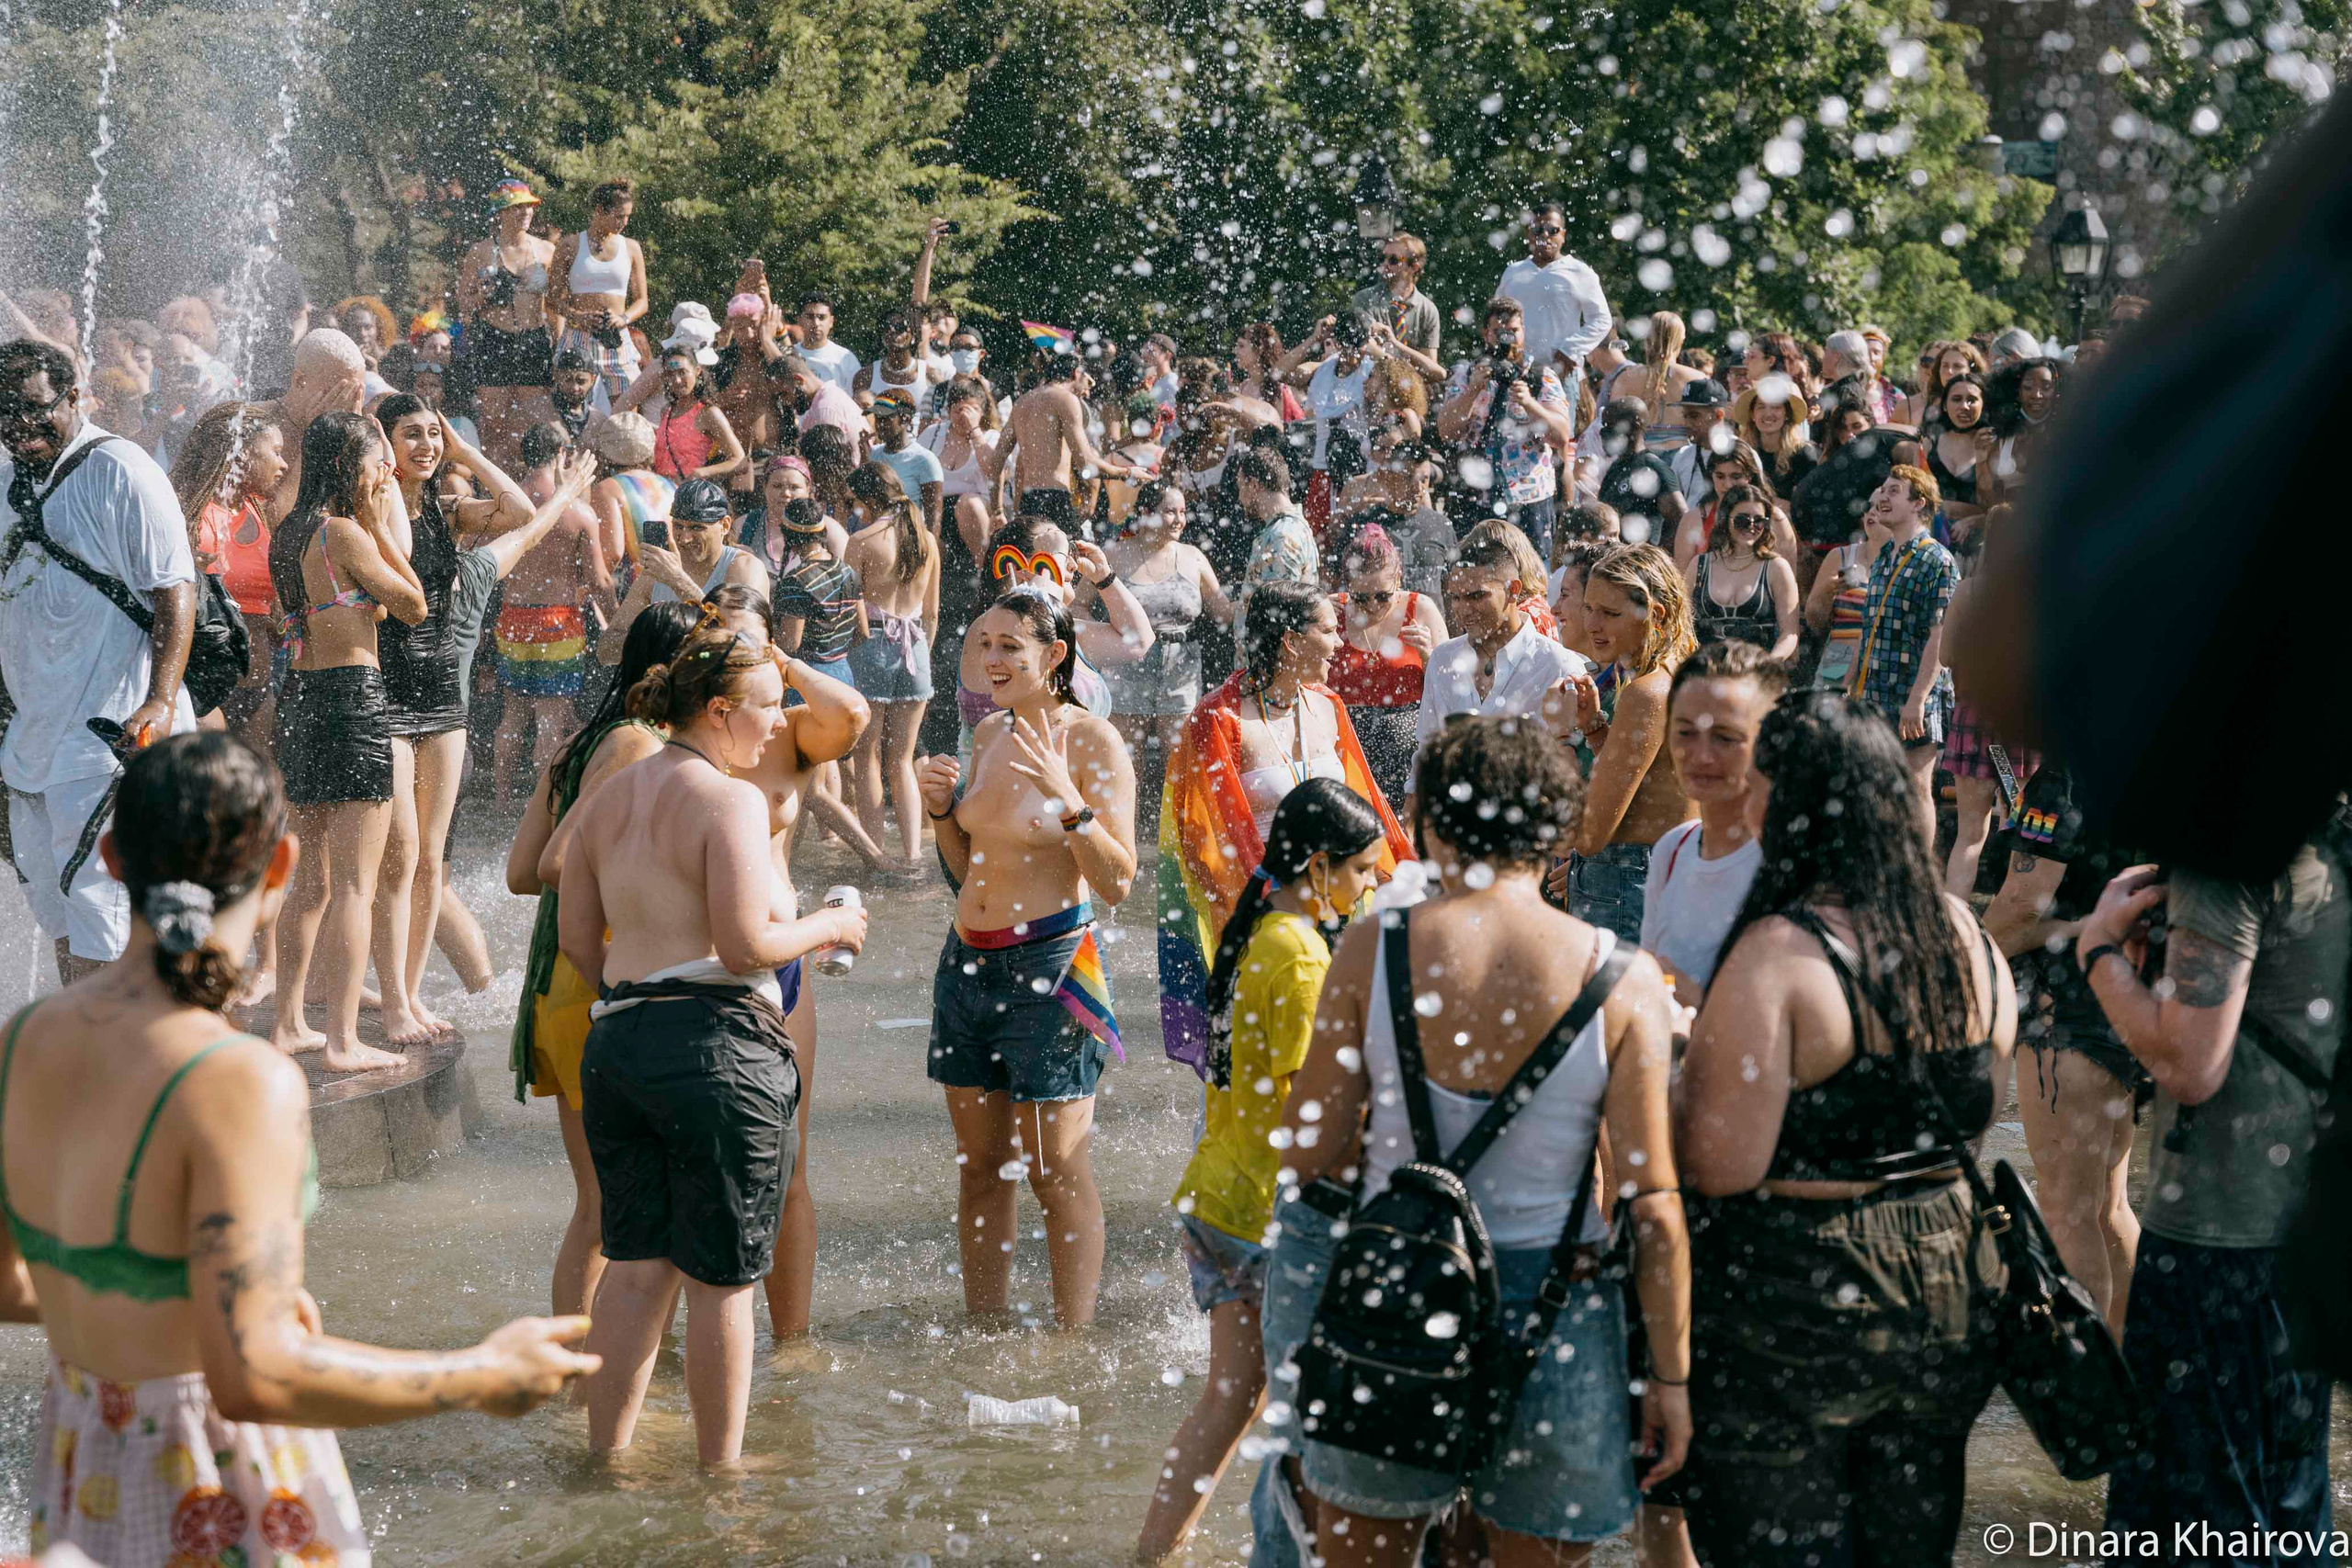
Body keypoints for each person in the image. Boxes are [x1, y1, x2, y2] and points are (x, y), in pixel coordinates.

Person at [5, 732, 598, 1567]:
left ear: (110, 855)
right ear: (280, 865)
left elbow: (10, 1278)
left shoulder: (28, 1038)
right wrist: (479, 1372)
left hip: (83, 1454)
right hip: (210, 1476)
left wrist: (162, 1304)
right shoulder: (242, 1080)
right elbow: (255, 1375)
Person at [1273, 714, 1690, 1568]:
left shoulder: (1374, 946)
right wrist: (1673, 1379)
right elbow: (1651, 1202)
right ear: (1563, 826)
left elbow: (1306, 1151)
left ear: (1428, 821)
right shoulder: (1622, 976)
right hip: (1559, 1305)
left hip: (1398, 1288)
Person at [1676, 690, 2016, 1566]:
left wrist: (1670, 1064)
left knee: (1778, 1541)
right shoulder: (1966, 938)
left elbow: (1719, 1166)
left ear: (1790, 801)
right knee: (1909, 1539)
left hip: (1804, 1288)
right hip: (1954, 1278)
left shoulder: (1783, 956)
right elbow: (1979, 1115)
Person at [558, 612, 863, 1467]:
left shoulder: (608, 794)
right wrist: (830, 924)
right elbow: (745, 946)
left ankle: (605, 1457)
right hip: (718, 1051)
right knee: (723, 1281)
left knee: (635, 1263)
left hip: (619, 1045)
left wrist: (641, 978)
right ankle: (720, 1475)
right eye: (769, 705)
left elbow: (581, 941)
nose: (778, 725)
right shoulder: (730, 799)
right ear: (721, 709)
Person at [1135, 777, 1388, 1565]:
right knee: (1308, 1412)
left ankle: (1154, 1552)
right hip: (1269, 1216)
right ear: (1318, 869)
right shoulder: (1305, 959)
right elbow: (1310, 1112)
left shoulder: (1260, 933)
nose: (1373, 884)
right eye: (1363, 870)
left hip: (1219, 1197)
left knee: (1231, 1397)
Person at [2074, 818, 2346, 1551]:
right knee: (2290, 1509)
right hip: (2309, 1228)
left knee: (2186, 1525)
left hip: (2219, 1245)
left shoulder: (2225, 854)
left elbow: (2191, 1065)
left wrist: (2098, 952)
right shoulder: (2330, 839)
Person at [915, 588, 1138, 1326]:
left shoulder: (1093, 742)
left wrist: (1069, 802)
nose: (994, 659)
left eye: (1013, 646)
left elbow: (1120, 880)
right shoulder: (986, 736)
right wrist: (943, 811)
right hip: (966, 965)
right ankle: (987, 1326)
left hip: (1052, 967)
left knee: (1053, 1169)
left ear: (1056, 655)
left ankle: (1072, 1342)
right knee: (980, 1167)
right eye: (987, 644)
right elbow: (967, 866)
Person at [506, 601, 698, 1319]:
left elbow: (518, 872)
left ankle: (601, 1366)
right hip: (599, 977)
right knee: (606, 1209)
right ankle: (586, 1375)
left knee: (602, 1203)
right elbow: (555, 865)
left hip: (557, 982)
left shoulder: (584, 741)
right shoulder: (640, 744)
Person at [0, 336, 198, 981]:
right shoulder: (4, 483)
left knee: (100, 908)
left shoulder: (122, 470)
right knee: (60, 910)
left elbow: (175, 591)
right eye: (5, 415)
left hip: (110, 735)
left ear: (75, 397)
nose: (21, 429)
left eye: (35, 411)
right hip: (31, 739)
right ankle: (90, 1054)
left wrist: (161, 699)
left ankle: (111, 1068)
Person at [1157, 580, 1412, 1074]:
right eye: (1328, 630)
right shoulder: (1217, 718)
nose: (1340, 643)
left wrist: (1400, 885)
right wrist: (1273, 909)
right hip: (1265, 911)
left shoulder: (1329, 706)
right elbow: (1203, 837)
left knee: (1344, 1057)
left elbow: (1364, 808)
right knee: (1261, 1064)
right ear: (1291, 641)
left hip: (1342, 905)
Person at [262, 411, 428, 1072]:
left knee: (311, 882)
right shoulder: (344, 532)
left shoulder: (289, 533)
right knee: (356, 884)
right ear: (347, 467)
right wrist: (377, 520)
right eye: (373, 462)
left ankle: (288, 1023)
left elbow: (357, 606)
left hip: (300, 703)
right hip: (355, 703)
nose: (381, 473)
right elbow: (413, 603)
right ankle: (343, 1041)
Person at [369, 395, 531, 1043]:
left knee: (432, 859)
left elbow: (520, 511)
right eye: (413, 436)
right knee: (398, 855)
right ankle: (391, 998)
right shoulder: (365, 511)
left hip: (444, 696)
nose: (427, 446)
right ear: (383, 445)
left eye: (433, 436)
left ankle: (407, 994)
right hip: (388, 692)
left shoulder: (447, 512)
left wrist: (465, 451)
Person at [1977, 762, 2149, 1333]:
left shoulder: (2066, 778)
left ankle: (2090, 1397)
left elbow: (2020, 909)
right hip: (2131, 999)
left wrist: (1958, 956)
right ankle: (2139, 1378)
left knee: (2067, 1213)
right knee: (2107, 1208)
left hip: (2065, 1015)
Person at [1547, 543, 1696, 943]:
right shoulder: (1676, 673)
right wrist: (1596, 730)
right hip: (1655, 877)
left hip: (1626, 886)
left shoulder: (1646, 693)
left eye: (1610, 613)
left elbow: (1588, 835)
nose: (1592, 623)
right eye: (1590, 607)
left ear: (1655, 615)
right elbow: (1649, 790)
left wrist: (1561, 738)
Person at [1641, 641, 1783, 1011]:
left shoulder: (1786, 860)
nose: (1701, 756)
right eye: (1685, 732)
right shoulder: (1673, 850)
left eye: (1726, 738)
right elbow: (1651, 980)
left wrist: (1697, 1002)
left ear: (1768, 742)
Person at [1408, 529, 1584, 817]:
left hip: (1526, 831)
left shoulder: (1558, 666)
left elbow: (1570, 767)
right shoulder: (1443, 659)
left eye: (1477, 596)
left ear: (1513, 590)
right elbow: (1428, 746)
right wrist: (1413, 807)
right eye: (1456, 598)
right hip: (1453, 828)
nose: (1464, 610)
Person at [1091, 479, 1231, 820]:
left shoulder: (1193, 558)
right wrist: (1099, 642)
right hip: (1127, 667)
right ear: (1145, 514)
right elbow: (1078, 606)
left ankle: (1180, 844)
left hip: (1179, 669)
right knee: (1125, 762)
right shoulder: (1114, 555)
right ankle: (1123, 837)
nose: (1179, 520)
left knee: (1180, 760)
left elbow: (1223, 611)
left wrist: (1260, 597)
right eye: (1170, 511)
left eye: (1183, 512)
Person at [495, 423, 617, 793]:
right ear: (561, 456)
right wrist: (617, 622)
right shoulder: (577, 512)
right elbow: (599, 579)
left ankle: (500, 802)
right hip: (557, 621)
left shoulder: (510, 504)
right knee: (551, 719)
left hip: (513, 619)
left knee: (512, 716)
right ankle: (542, 807)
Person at [172, 400, 288, 748]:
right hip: (200, 692)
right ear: (242, 453)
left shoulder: (260, 511)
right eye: (276, 452)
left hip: (257, 688)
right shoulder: (186, 512)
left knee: (260, 795)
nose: (283, 463)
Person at [1847, 466, 1955, 836]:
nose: (1882, 498)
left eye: (1894, 491)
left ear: (1918, 503)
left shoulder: (1937, 559)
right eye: (1882, 490)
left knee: (1915, 787)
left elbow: (1940, 635)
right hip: (1874, 688)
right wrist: (1850, 680)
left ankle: (1918, 879)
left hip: (1913, 692)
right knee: (1874, 789)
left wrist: (1919, 698)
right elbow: (1869, 626)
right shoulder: (1884, 557)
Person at [842, 459, 939, 869]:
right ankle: (915, 855)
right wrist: (922, 655)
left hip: (873, 645)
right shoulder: (927, 539)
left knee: (868, 757)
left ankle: (876, 855)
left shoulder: (861, 540)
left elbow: (849, 611)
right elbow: (932, 613)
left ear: (867, 499)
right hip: (915, 648)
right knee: (902, 759)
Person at [1434, 296, 1576, 557]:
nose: (1507, 339)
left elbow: (1560, 437)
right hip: (1474, 499)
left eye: (1514, 331)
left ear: (1524, 332)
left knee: (1532, 580)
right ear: (1485, 334)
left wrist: (1529, 403)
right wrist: (1474, 390)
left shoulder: (1541, 376)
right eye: (1500, 332)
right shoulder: (1465, 374)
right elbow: (1446, 432)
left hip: (1528, 500)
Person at [1328, 525, 1443, 809]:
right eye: (1361, 597)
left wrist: (1428, 655)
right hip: (1349, 759)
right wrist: (1313, 620)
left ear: (1399, 579)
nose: (1372, 606)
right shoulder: (1334, 613)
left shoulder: (1421, 608)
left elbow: (1453, 688)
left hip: (1409, 763)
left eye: (1382, 596)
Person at [455, 179, 557, 469]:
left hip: (533, 337)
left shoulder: (547, 250)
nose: (525, 213)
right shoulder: (482, 251)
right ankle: (492, 480)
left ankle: (534, 478)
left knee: (534, 418)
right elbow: (463, 303)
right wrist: (485, 294)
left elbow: (555, 305)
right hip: (494, 338)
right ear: (501, 213)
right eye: (517, 208)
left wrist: (559, 342)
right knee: (494, 420)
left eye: (529, 207)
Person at [986, 353, 1148, 528]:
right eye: (1088, 381)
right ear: (1076, 373)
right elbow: (1086, 463)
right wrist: (1127, 473)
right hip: (1055, 499)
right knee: (1074, 555)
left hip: (1028, 502)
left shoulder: (1021, 403)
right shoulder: (1066, 399)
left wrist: (997, 511)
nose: (1088, 390)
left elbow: (995, 463)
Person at [605, 476, 769, 650]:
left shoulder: (745, 568)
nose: (685, 538)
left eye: (696, 527)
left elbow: (744, 645)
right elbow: (606, 647)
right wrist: (657, 639)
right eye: (678, 526)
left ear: (725, 525)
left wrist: (678, 580)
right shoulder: (657, 572)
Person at [548, 177, 650, 406]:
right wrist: (575, 315)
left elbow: (642, 301)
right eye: (619, 216)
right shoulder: (569, 245)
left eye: (628, 216)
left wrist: (623, 318)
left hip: (616, 337)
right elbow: (552, 298)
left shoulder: (631, 247)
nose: (624, 222)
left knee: (625, 407)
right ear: (600, 210)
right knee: (571, 405)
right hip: (578, 335)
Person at [1496, 200, 1614, 384]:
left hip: (1560, 374)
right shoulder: (1513, 272)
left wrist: (1570, 350)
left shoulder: (1579, 271)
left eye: (1553, 230)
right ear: (1529, 234)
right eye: (1537, 230)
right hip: (1515, 372)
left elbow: (1601, 319)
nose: (1545, 235)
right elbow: (1496, 317)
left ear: (1563, 235)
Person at [1682, 485, 1799, 659]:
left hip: (1754, 672)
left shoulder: (1776, 568)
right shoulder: (1699, 565)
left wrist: (1769, 665)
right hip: (1705, 672)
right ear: (1725, 519)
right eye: (1742, 520)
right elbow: (1680, 625)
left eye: (1759, 521)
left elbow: (1789, 633)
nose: (1751, 527)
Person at [712, 294, 797, 505]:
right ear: (732, 326)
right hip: (733, 462)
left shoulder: (776, 356)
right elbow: (702, 407)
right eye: (741, 328)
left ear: (764, 324)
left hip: (774, 457)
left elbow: (797, 389)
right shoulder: (723, 362)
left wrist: (769, 339)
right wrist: (723, 399)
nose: (749, 334)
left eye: (754, 326)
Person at [1231, 446, 1317, 633]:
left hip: (1270, 659)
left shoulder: (1282, 536)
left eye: (1240, 487)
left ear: (1254, 485)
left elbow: (1278, 617)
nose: (1240, 498)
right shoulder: (1290, 528)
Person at [1591, 397, 1687, 553]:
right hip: (1616, 562)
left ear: (1634, 427)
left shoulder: (1654, 468)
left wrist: (1656, 557)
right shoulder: (1615, 468)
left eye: (1611, 426)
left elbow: (1681, 520)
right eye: (1604, 426)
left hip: (1640, 565)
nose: (1604, 433)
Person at [1350, 231, 1445, 385]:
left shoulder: (1428, 310)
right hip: (1371, 385)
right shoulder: (1365, 299)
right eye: (1383, 258)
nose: (1385, 264)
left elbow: (1430, 368)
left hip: (1412, 389)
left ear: (1414, 266)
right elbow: (1366, 351)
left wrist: (1395, 345)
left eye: (1393, 260)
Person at [648, 339, 745, 486]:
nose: (677, 380)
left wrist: (701, 473)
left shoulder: (708, 413)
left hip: (692, 498)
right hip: (663, 496)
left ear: (697, 371)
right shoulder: (666, 412)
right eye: (670, 374)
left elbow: (739, 460)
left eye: (682, 372)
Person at [869, 387, 944, 536]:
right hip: (875, 538)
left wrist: (928, 555)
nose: (879, 424)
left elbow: (933, 522)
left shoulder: (925, 460)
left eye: (885, 418)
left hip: (908, 540)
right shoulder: (872, 454)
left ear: (905, 419)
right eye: (877, 417)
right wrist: (865, 462)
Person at [794, 293, 860, 390]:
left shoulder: (845, 359)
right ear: (799, 320)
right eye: (810, 317)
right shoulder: (791, 355)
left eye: (821, 317)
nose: (816, 324)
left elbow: (855, 400)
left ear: (831, 321)